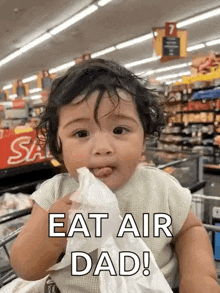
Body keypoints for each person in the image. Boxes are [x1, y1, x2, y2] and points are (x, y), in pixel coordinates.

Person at [10, 58, 220, 293]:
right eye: (81, 133)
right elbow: (25, 267)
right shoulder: (55, 194)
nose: (102, 147)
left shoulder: (161, 188)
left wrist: (199, 277)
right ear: (58, 147)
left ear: (143, 139)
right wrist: (55, 227)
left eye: (119, 130)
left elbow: (190, 230)